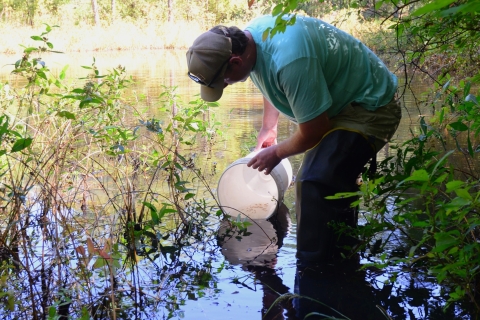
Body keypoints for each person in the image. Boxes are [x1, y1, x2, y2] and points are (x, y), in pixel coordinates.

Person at [186, 14, 402, 265]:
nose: (227, 86)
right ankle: (343, 253)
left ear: (235, 61)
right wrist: (269, 126)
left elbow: (314, 130)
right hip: (338, 106)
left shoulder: (291, 59)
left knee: (314, 181)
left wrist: (277, 153)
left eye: (224, 81)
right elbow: (268, 75)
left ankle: (314, 269)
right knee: (330, 179)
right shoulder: (251, 41)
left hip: (370, 107)